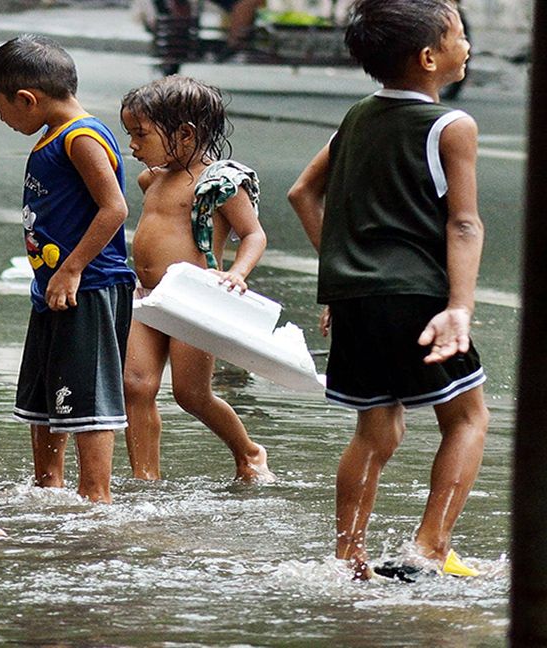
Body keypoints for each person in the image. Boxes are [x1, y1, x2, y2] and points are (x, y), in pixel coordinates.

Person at [287, 0, 487, 581]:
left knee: (375, 429)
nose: (466, 43)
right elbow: (465, 223)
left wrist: (340, 279)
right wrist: (459, 308)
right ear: (429, 59)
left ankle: (349, 557)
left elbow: (304, 193)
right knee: (469, 419)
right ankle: (428, 547)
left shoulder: (356, 116)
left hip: (355, 299)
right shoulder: (451, 125)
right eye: (458, 34)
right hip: (418, 298)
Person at [0, 35, 136, 503]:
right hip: (53, 288)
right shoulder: (52, 135)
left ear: (27, 99)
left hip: (87, 287)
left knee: (87, 401)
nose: (1, 118)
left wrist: (72, 269)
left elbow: (115, 209)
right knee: (47, 396)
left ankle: (95, 498)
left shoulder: (80, 137)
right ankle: (49, 486)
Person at [120, 76, 272, 483]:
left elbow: (254, 234)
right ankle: (145, 477)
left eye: (141, 135)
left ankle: (249, 451)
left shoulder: (218, 184)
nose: (133, 145)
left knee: (191, 395)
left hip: (193, 300)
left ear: (185, 134)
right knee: (135, 384)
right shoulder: (152, 179)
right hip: (147, 297)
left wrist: (237, 273)